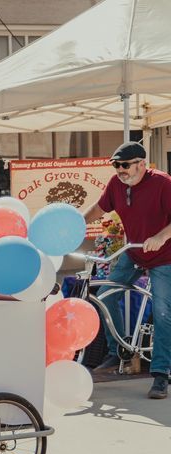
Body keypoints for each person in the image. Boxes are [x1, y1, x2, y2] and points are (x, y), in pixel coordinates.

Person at [84, 141, 171, 399]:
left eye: (125, 165)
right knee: (106, 296)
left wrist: (161, 236)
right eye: (116, 165)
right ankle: (119, 350)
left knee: (163, 311)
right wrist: (75, 223)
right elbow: (99, 209)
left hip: (164, 256)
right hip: (132, 253)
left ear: (142, 164)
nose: (120, 170)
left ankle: (160, 374)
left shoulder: (163, 183)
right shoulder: (116, 184)